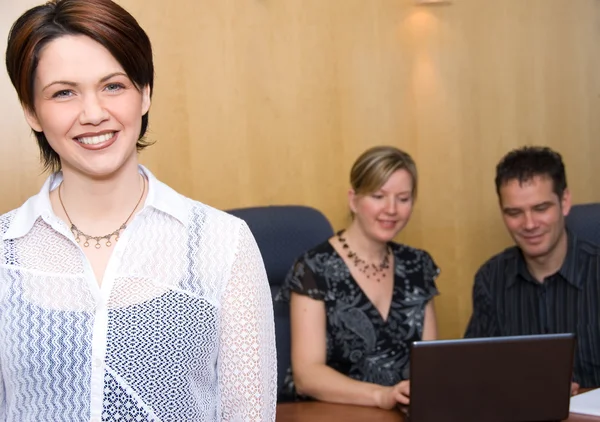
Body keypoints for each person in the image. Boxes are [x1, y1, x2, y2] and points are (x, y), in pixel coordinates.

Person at [0, 1, 276, 420]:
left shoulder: (222, 243)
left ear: (144, 93)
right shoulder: (5, 250)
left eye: (113, 86)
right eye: (63, 93)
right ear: (31, 112)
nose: (93, 114)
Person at [276, 146, 440, 409]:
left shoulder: (418, 265)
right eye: (378, 196)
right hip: (333, 413)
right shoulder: (313, 268)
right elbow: (307, 375)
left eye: (403, 198)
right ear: (353, 200)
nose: (391, 209)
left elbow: (432, 362)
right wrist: (381, 396)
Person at [465, 146, 600, 391]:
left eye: (541, 208)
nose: (529, 224)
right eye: (514, 212)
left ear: (565, 201)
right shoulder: (490, 278)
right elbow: (475, 375)